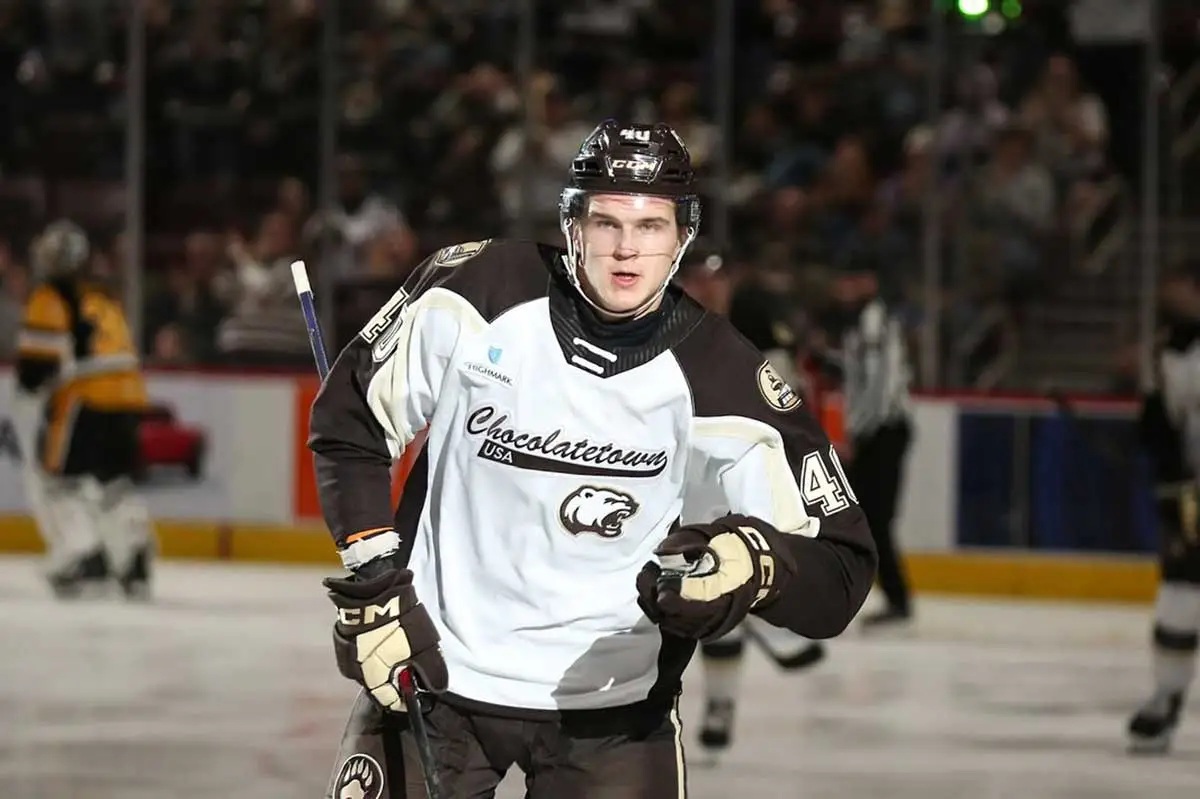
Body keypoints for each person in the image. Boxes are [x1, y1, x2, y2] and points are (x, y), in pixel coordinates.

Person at [309, 120, 877, 799]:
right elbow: (350, 420)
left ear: (684, 235)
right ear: (570, 223)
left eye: (651, 226)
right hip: (432, 680)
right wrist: (375, 585)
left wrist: (757, 565)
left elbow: (841, 568)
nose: (627, 248)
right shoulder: (475, 290)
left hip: (614, 713)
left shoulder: (722, 374)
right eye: (607, 222)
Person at [682, 255, 829, 758]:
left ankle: (722, 700)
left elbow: (786, 401)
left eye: (716, 276)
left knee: (723, 573)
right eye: (698, 277)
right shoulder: (661, 322)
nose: (707, 286)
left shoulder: (756, 330)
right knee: (700, 583)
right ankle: (761, 631)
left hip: (739, 470)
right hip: (678, 472)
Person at [13, 219, 155, 599]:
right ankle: (135, 555)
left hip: (86, 396)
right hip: (130, 395)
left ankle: (83, 555)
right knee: (114, 481)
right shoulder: (105, 297)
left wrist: (30, 389)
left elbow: (35, 369)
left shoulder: (50, 297)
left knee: (59, 481)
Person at [1127, 266, 1200, 753]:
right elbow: (1160, 426)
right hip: (1191, 492)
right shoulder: (1164, 352)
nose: (1167, 297)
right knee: (1179, 590)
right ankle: (1167, 696)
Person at [821, 258, 914, 627]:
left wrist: (854, 433)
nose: (840, 288)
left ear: (867, 282)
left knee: (871, 518)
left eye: (848, 280)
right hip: (875, 431)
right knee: (859, 517)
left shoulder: (875, 323)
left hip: (882, 431)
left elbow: (878, 387)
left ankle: (895, 599)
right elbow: (859, 373)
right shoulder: (860, 325)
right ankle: (883, 596)